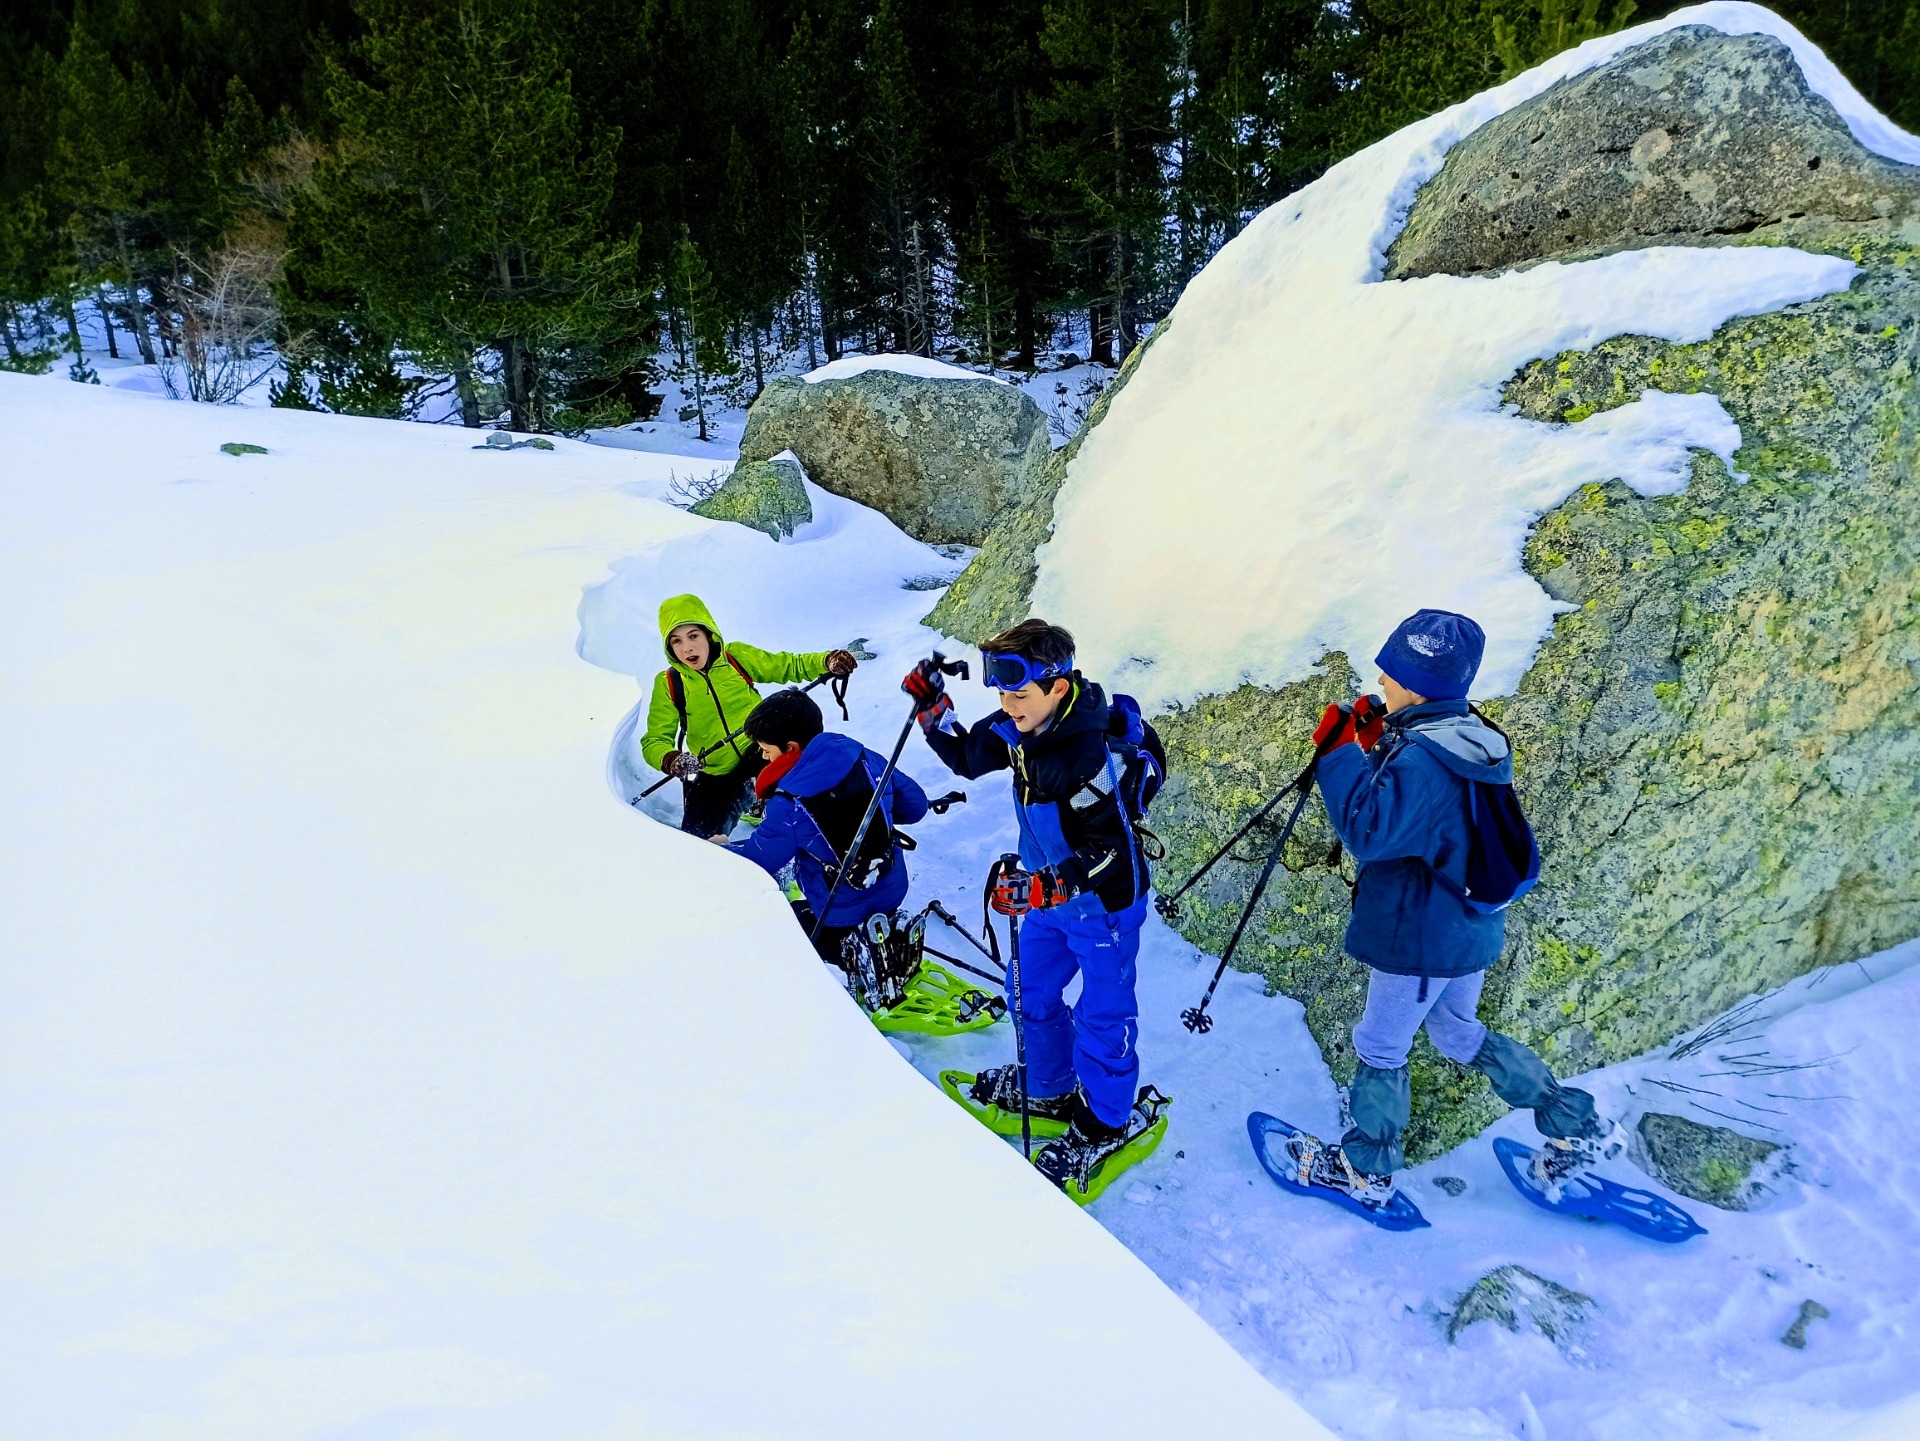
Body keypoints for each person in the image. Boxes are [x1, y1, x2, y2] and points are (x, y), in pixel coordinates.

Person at [1304, 608, 1623, 1205]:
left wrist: (1340, 754)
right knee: (1455, 1032)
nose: (1379, 684)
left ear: (1418, 681)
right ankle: (1578, 1125)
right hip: (1466, 926)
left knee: (1381, 1047)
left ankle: (1366, 1169)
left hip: (1421, 935)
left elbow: (1370, 832)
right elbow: (1426, 816)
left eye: (1389, 673)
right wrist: (1377, 744)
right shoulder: (1465, 736)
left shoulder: (1424, 756)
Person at [904, 619, 1164, 1191]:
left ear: (1059, 688)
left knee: (1104, 1015)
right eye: (1001, 692)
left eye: (1019, 694)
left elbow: (1112, 854)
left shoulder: (1085, 760)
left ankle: (1105, 1120)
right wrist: (932, 709)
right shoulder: (1023, 723)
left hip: (1104, 910)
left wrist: (1049, 886)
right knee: (1028, 991)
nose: (1006, 705)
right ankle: (1049, 1085)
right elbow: (969, 755)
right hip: (1048, 897)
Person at [721, 686, 928, 963]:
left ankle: (851, 955)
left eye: (765, 750)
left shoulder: (788, 805)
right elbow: (916, 806)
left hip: (836, 913)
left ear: (791, 748)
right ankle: (885, 935)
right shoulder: (863, 758)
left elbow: (755, 863)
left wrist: (720, 850)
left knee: (787, 920)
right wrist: (880, 811)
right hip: (893, 888)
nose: (763, 757)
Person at [639, 593, 856, 839]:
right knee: (698, 841)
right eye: (676, 641)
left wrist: (826, 661)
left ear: (709, 634)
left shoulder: (736, 658)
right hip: (715, 771)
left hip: (760, 749)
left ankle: (774, 807)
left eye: (693, 635)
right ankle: (749, 797)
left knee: (798, 796)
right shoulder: (669, 683)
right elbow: (654, 740)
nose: (687, 647)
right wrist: (672, 759)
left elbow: (786, 665)